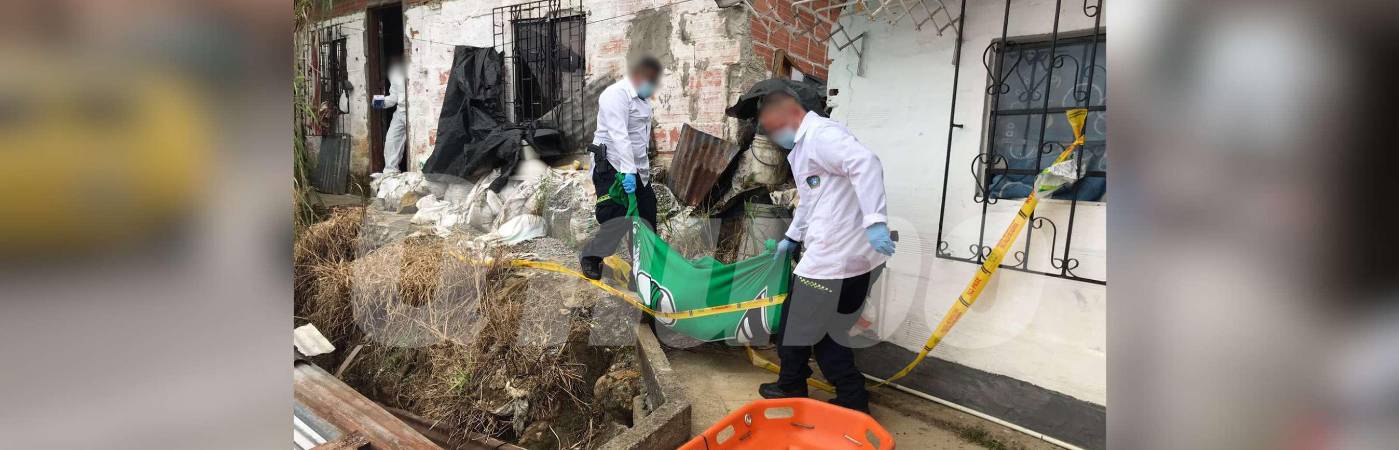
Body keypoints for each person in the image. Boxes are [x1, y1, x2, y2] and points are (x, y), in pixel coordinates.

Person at [754, 90, 896, 414]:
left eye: (775, 128)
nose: (776, 137)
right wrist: (791, 237)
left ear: (791, 115)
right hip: (852, 259)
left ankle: (791, 385)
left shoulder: (821, 136)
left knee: (795, 325)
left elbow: (866, 163)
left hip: (834, 259)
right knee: (829, 331)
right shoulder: (807, 147)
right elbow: (810, 199)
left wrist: (876, 221)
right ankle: (852, 398)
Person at [579, 56, 663, 280]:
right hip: (611, 165)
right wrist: (627, 172)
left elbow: (641, 139)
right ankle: (591, 256)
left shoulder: (643, 101)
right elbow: (619, 136)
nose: (652, 86)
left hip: (636, 169)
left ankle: (642, 273)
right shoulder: (614, 95)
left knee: (647, 215)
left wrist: (639, 173)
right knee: (617, 216)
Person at [373, 57, 408, 177]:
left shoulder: (415, 70)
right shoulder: (394, 74)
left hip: (414, 112)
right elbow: (394, 97)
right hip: (401, 112)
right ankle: (390, 172)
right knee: (391, 141)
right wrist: (377, 102)